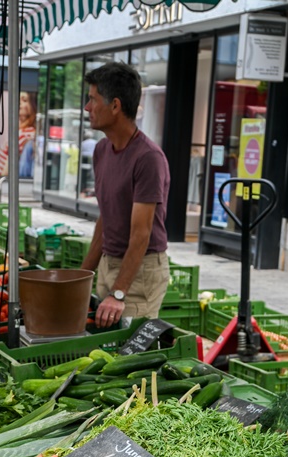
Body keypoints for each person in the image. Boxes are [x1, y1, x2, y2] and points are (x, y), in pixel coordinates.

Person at [80, 62, 170, 328]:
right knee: (102, 346)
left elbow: (141, 234)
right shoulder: (101, 151)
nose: (87, 107)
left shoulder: (148, 158)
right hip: (110, 263)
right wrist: (83, 278)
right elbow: (105, 220)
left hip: (140, 271)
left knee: (125, 355)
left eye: (93, 99)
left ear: (115, 106)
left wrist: (119, 293)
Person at [0, 91, 37, 178]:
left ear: (32, 105)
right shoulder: (21, 130)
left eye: (24, 100)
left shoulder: (27, 134)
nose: (19, 103)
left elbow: (9, 163)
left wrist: (1, 180)